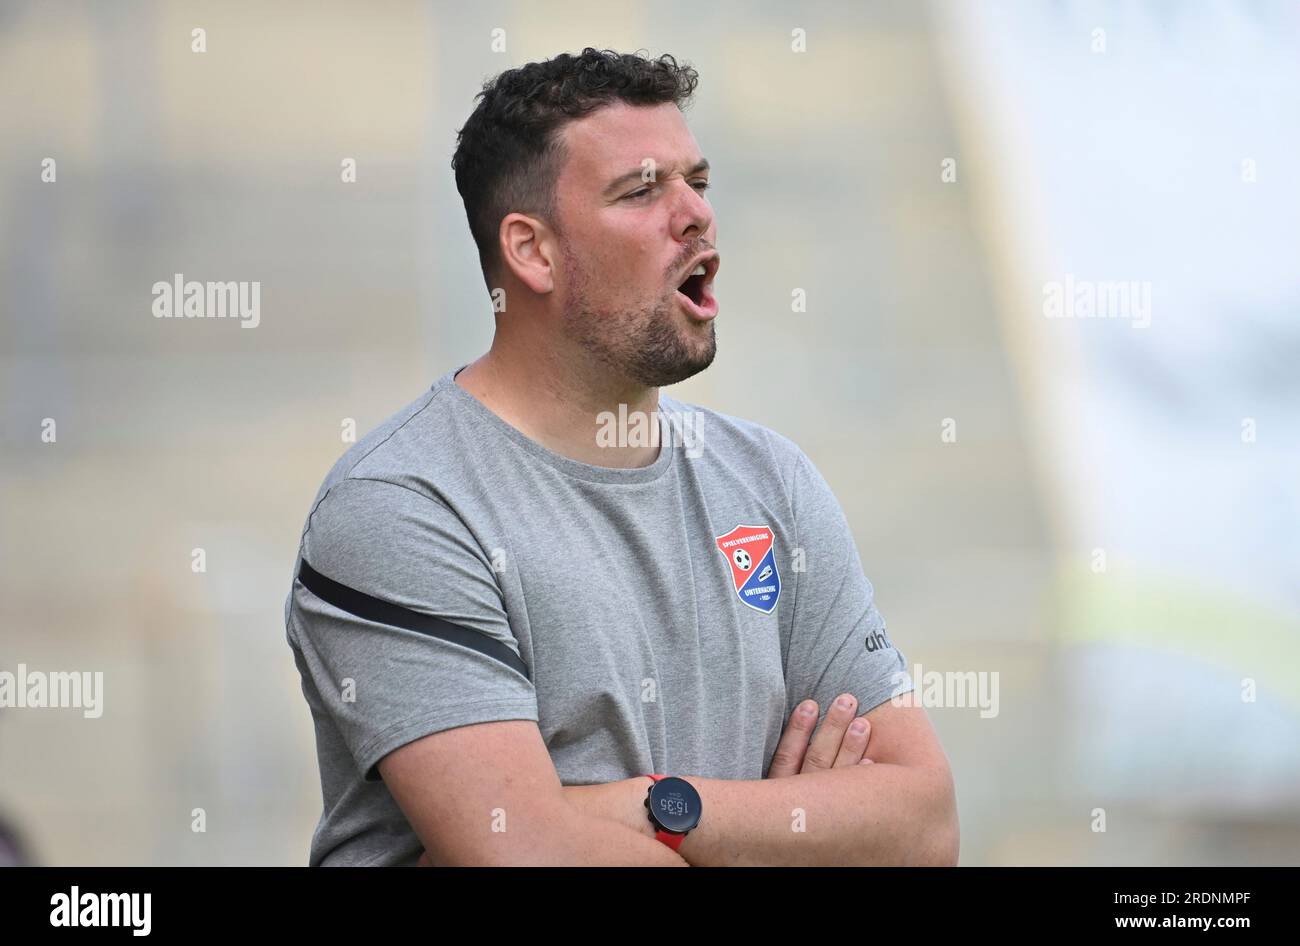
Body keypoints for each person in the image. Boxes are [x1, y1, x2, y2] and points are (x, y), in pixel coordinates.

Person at [284, 48, 957, 866]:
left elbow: (922, 826)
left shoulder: (770, 482)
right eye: (642, 191)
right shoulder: (403, 506)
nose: (695, 216)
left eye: (697, 184)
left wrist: (649, 812)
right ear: (532, 252)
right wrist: (792, 828)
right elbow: (525, 851)